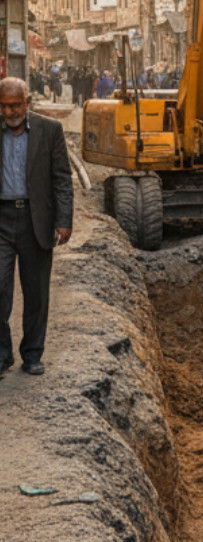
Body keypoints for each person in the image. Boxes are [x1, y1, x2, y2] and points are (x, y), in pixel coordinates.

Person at [0, 78, 73, 377]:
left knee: (36, 293)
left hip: (35, 221)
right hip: (2, 222)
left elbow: (61, 179)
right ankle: (2, 354)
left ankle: (32, 354)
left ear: (27, 103)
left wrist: (64, 220)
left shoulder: (49, 130)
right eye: (4, 106)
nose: (10, 111)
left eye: (16, 105)